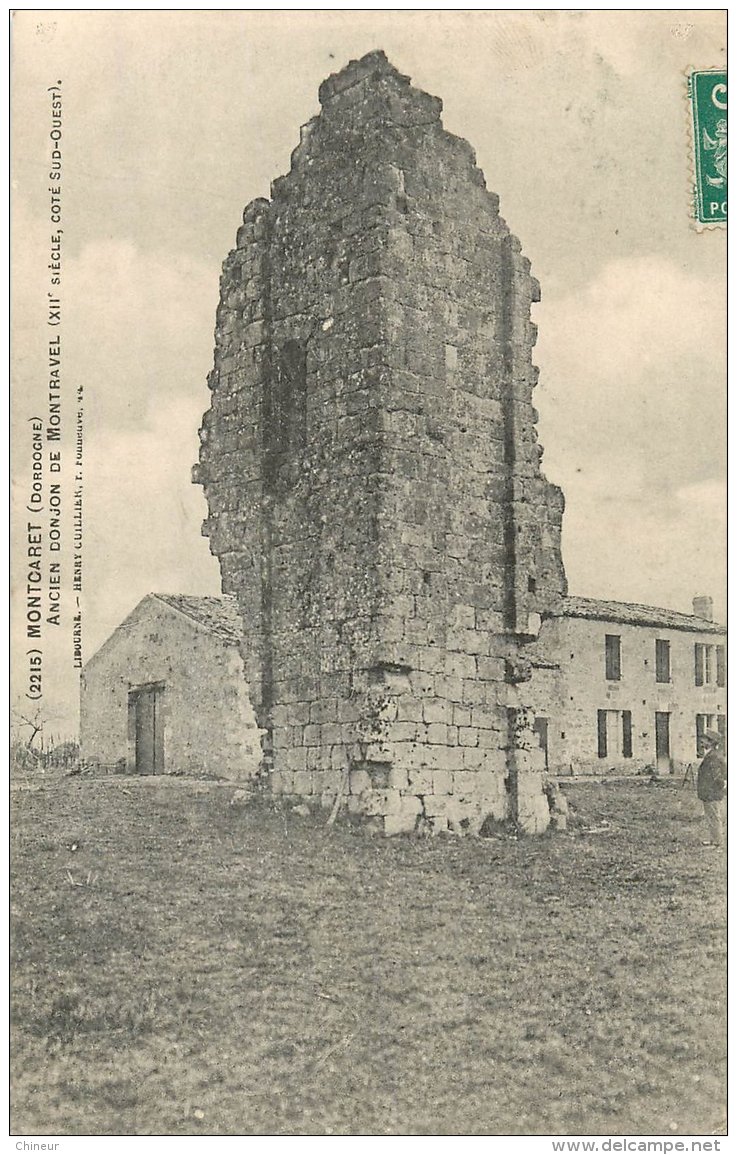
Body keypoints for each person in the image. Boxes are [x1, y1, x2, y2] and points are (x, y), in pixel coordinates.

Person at [696, 729, 727, 847]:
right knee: (711, 816)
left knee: (714, 817)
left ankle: (717, 842)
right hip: (710, 792)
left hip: (712, 792)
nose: (701, 742)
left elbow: (717, 776)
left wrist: (721, 788)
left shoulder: (713, 756)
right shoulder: (713, 754)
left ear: (711, 742)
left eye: (704, 740)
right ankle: (714, 840)